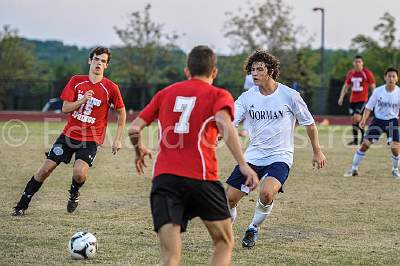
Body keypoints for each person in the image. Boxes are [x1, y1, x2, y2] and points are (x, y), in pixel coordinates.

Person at [128, 45, 258, 266]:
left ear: (186, 70)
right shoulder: (218, 94)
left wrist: (138, 148)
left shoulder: (165, 93)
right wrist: (243, 164)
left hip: (165, 180)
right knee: (224, 242)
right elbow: (224, 124)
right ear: (214, 72)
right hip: (202, 179)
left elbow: (133, 129)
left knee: (170, 258)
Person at [225, 50, 327, 249]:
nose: (254, 73)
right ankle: (227, 231)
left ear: (270, 71)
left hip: (280, 156)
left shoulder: (290, 95)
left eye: (259, 69)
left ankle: (253, 228)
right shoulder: (246, 98)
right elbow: (231, 121)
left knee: (266, 194)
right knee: (229, 199)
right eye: (252, 70)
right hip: (253, 156)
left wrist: (317, 150)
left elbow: (309, 123)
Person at [12, 46, 126, 216]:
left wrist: (118, 139)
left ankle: (74, 193)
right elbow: (65, 108)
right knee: (45, 170)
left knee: (79, 174)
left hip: (91, 139)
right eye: (96, 59)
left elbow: (121, 112)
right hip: (68, 136)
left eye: (103, 61)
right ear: (90, 60)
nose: (99, 63)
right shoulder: (76, 81)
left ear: (106, 66)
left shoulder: (111, 88)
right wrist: (81, 100)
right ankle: (21, 205)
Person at [344, 68, 400, 178]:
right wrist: (364, 120)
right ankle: (354, 169)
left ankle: (395, 169)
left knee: (395, 147)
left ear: (397, 79)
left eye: (393, 76)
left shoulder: (399, 92)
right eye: (389, 76)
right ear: (385, 78)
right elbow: (369, 107)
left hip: (392, 121)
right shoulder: (378, 91)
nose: (391, 78)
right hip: (378, 121)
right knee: (365, 145)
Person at [338, 55, 376, 145]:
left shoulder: (367, 73)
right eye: (356, 62)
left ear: (362, 63)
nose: (357, 63)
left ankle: (363, 138)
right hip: (353, 100)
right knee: (353, 120)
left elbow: (373, 86)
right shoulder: (351, 73)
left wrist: (375, 98)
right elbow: (346, 86)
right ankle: (355, 141)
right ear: (353, 63)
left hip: (363, 100)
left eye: (359, 61)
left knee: (358, 117)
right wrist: (341, 97)